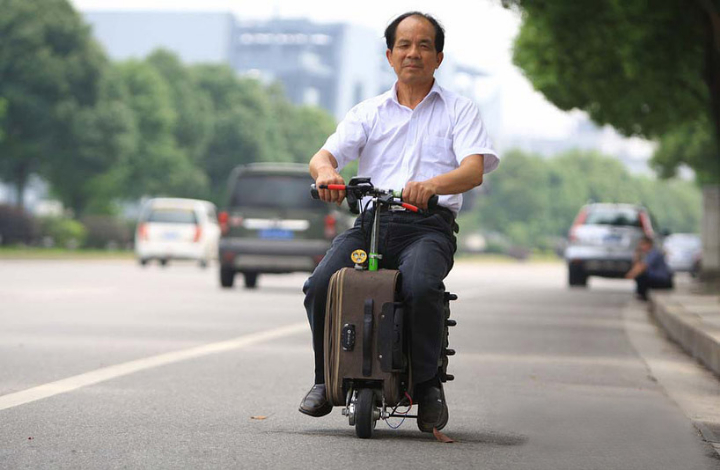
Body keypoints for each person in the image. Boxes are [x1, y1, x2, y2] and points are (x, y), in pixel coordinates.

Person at [299, 11, 500, 432]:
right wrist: (327, 175)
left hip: (429, 226)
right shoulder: (368, 112)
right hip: (372, 223)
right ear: (390, 55)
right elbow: (325, 155)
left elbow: (474, 170)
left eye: (424, 45)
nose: (413, 53)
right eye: (404, 45)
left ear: (438, 57)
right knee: (320, 284)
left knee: (422, 285)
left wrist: (431, 185)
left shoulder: (459, 111)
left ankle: (428, 387)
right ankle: (323, 378)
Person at [625, 236, 674, 300]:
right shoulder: (648, 254)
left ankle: (642, 295)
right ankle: (641, 294)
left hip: (663, 281)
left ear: (648, 244)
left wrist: (631, 274)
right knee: (641, 276)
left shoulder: (654, 253)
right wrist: (637, 255)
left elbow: (643, 267)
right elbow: (638, 265)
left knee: (641, 276)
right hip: (657, 279)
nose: (641, 247)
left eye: (642, 244)